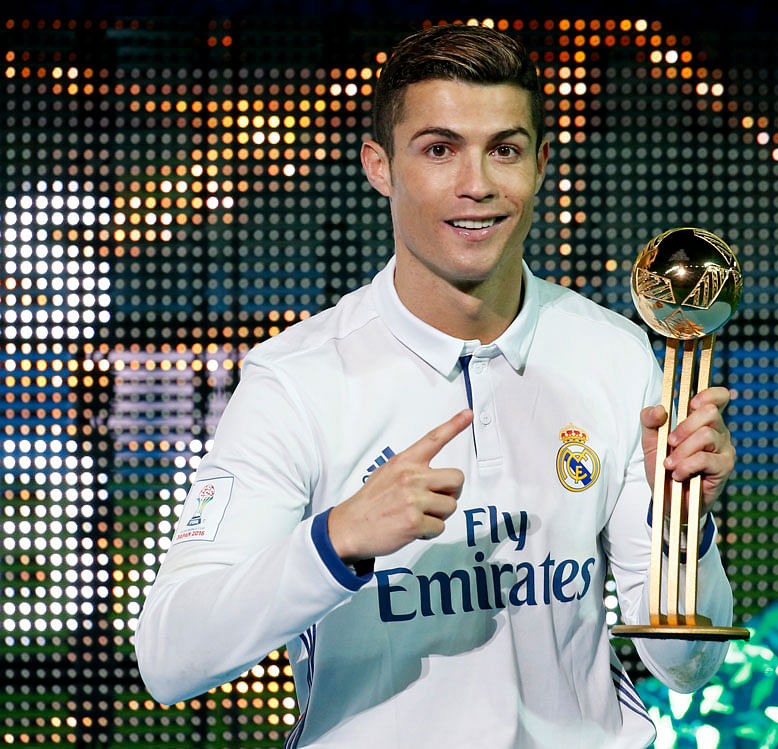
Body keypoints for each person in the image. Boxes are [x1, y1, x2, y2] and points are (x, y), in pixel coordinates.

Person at [135, 24, 738, 748]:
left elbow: (688, 665)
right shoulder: (294, 379)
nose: (477, 184)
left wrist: (685, 525)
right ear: (379, 166)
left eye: (505, 150)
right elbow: (170, 658)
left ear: (541, 165)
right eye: (439, 149)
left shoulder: (611, 352)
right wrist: (337, 541)